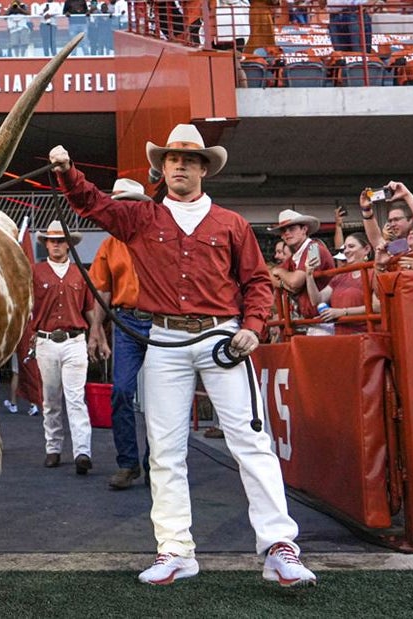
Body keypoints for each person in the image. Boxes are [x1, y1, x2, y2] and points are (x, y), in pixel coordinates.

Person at [50, 124, 317, 587]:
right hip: (166, 341)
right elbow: (94, 203)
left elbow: (256, 282)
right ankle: (175, 548)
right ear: (162, 167)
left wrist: (253, 326)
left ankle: (279, 546)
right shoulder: (142, 218)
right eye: (172, 158)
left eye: (189, 159)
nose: (179, 165)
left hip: (222, 339)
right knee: (167, 452)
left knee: (250, 443)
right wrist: (69, 173)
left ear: (203, 168)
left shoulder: (231, 224)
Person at [87, 178, 152, 491]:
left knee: (159, 400)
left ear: (140, 206)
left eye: (130, 202)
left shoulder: (158, 238)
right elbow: (103, 290)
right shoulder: (109, 244)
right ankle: (128, 463)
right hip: (126, 322)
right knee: (122, 392)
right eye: (119, 203)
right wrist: (96, 329)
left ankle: (156, 463)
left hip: (159, 323)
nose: (124, 209)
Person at [30, 220, 95, 474]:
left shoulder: (80, 272)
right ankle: (53, 448)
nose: (56, 244)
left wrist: (95, 336)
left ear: (68, 244)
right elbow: (28, 308)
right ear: (46, 244)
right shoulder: (35, 273)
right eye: (52, 240)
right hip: (46, 341)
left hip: (74, 340)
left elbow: (89, 308)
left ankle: (82, 451)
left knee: (76, 398)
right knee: (51, 399)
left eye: (60, 240)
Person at [269, 209, 334, 335]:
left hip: (324, 320)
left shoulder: (313, 248)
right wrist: (286, 284)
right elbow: (269, 274)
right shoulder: (296, 255)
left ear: (304, 229)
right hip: (311, 321)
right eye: (283, 230)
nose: (287, 233)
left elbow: (295, 282)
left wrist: (280, 273)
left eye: (291, 229)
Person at [304, 232, 376, 334]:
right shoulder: (340, 276)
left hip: (365, 335)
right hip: (340, 335)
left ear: (366, 249)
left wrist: (342, 312)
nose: (346, 251)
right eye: (345, 248)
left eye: (351, 246)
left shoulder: (374, 273)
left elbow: (378, 307)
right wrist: (309, 275)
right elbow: (317, 300)